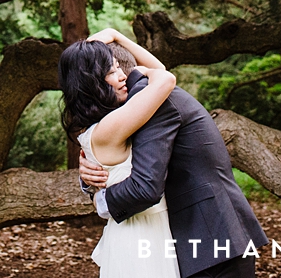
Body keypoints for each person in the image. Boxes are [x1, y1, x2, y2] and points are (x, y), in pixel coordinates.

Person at [76, 31, 268, 278]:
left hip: (209, 234)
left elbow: (145, 187)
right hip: (200, 235)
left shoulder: (154, 103)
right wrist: (90, 176)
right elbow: (125, 158)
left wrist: (100, 200)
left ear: (123, 75)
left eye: (114, 71)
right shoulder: (144, 100)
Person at [59, 29, 181, 278]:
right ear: (91, 83)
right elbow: (165, 78)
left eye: (119, 68)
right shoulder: (109, 128)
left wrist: (117, 37)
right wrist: (143, 70)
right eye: (111, 72)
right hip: (138, 235)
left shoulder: (102, 125)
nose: (124, 76)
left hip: (144, 230)